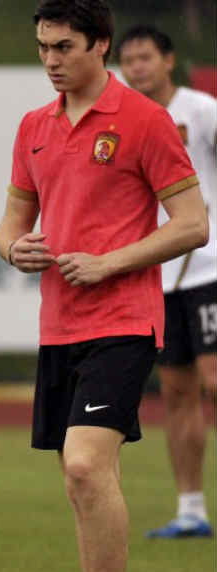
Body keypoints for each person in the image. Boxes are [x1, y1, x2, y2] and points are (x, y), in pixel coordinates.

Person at [0, 0, 208, 572]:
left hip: (125, 316)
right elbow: (10, 223)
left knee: (86, 465)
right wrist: (13, 250)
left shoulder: (144, 121)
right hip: (59, 324)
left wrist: (113, 261)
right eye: (42, 48)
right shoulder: (34, 126)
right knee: (80, 478)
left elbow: (193, 223)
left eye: (63, 46)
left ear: (101, 46)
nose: (51, 60)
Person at [117, 24, 217, 539]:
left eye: (145, 58)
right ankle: (192, 508)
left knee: (213, 379)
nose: (136, 68)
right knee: (176, 391)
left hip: (208, 265)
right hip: (158, 268)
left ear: (168, 60)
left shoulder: (200, 110)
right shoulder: (126, 120)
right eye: (128, 60)